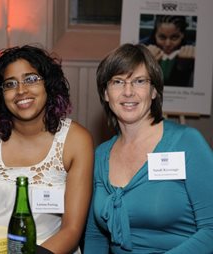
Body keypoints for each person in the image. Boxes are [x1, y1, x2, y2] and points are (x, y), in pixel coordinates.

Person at [84, 43, 213, 253]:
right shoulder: (100, 156)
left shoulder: (187, 143)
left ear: (154, 91)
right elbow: (94, 235)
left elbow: (211, 230)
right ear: (106, 94)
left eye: (139, 81)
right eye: (118, 82)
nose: (128, 92)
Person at [0, 45, 94, 253]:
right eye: (10, 84)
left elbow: (71, 230)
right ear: (1, 94)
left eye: (31, 79)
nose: (21, 91)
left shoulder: (76, 140)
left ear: (49, 84)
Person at [140, 15, 195, 87]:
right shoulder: (141, 48)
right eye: (162, 37)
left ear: (182, 35)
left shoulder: (193, 51)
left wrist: (183, 69)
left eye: (174, 37)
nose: (167, 44)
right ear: (155, 35)